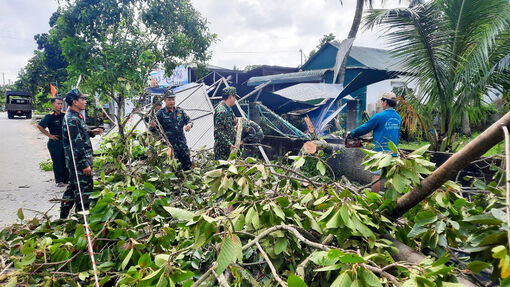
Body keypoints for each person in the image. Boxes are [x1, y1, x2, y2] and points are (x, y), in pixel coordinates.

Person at [347, 91, 402, 193]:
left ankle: (374, 199)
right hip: (393, 151)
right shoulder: (398, 117)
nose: (381, 103)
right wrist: (373, 138)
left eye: (382, 101)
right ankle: (392, 200)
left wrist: (352, 133)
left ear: (385, 102)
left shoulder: (379, 116)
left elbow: (365, 128)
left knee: (376, 175)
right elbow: (388, 132)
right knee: (392, 176)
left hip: (380, 151)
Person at [60, 89, 103, 219]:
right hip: (79, 162)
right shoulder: (71, 119)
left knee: (73, 187)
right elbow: (76, 145)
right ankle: (82, 221)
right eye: (82, 99)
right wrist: (84, 164)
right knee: (84, 192)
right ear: (74, 102)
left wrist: (91, 132)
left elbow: (79, 135)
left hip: (78, 160)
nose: (85, 101)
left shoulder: (76, 116)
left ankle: (63, 217)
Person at [153, 89, 193, 170]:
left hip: (182, 145)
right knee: (173, 169)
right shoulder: (160, 113)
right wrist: (153, 125)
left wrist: (189, 125)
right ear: (164, 100)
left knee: (187, 166)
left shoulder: (180, 111)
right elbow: (154, 129)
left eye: (173, 99)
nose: (172, 102)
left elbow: (189, 121)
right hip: (169, 146)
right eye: (169, 100)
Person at [36, 96, 69, 187]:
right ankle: (59, 180)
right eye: (58, 103)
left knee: (66, 161)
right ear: (53, 104)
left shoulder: (64, 114)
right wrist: (49, 135)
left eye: (61, 103)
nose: (60, 105)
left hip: (65, 141)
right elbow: (40, 126)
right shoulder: (49, 116)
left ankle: (66, 179)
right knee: (57, 161)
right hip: (55, 142)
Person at [214, 87, 237, 160]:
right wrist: (228, 144)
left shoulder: (228, 109)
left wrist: (234, 128)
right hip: (222, 151)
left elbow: (227, 126)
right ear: (230, 96)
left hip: (229, 148)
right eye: (234, 97)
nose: (235, 99)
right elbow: (218, 132)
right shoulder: (222, 111)